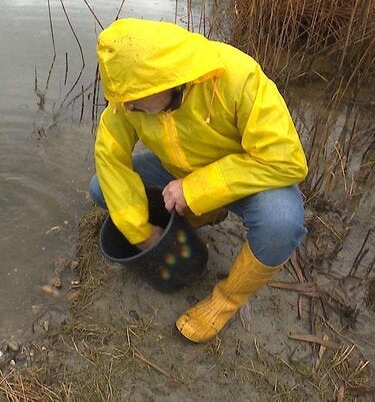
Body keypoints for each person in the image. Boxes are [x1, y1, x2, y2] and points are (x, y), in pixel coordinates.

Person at [88, 18, 308, 343]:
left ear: (164, 81)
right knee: (100, 188)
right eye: (122, 98)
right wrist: (141, 233)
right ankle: (204, 213)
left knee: (282, 223)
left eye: (134, 97)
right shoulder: (128, 100)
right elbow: (111, 159)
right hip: (178, 171)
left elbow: (285, 160)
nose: (127, 106)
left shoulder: (238, 77)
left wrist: (196, 189)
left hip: (246, 178)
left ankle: (225, 301)